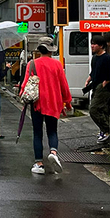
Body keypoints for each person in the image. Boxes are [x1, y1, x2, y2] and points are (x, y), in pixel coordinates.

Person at [18, 39, 71, 175]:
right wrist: (67, 101)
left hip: (37, 103)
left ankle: (39, 164)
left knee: (37, 132)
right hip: (54, 102)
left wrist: (22, 94)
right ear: (50, 50)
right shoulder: (57, 64)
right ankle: (53, 151)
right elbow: (63, 85)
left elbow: (25, 84)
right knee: (52, 131)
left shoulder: (32, 64)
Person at [82, 35, 110, 151]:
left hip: (103, 88)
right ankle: (105, 132)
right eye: (91, 43)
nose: (92, 46)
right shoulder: (95, 58)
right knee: (102, 110)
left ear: (101, 46)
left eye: (94, 44)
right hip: (95, 86)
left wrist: (106, 82)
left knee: (93, 109)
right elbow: (94, 71)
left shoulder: (107, 58)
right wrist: (89, 79)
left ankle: (107, 130)